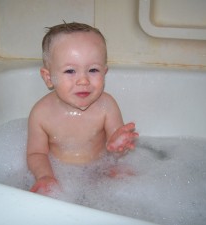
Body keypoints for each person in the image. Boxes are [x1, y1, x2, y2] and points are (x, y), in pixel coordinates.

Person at [27, 22, 138, 194]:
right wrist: (45, 176)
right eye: (70, 71)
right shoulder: (41, 114)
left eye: (93, 70)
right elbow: (36, 154)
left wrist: (119, 145)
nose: (83, 81)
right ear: (48, 78)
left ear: (104, 73)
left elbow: (116, 146)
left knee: (129, 179)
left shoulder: (106, 106)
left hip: (101, 171)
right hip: (60, 175)